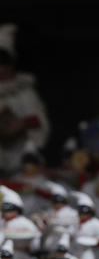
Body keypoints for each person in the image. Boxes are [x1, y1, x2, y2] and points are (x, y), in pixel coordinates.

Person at [0, 24, 49, 178]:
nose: (1, 68)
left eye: (4, 63)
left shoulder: (24, 90)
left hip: (23, 160)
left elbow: (39, 120)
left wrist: (20, 124)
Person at [0, 186, 40, 259]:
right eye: (4, 210)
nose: (6, 213)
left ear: (17, 210)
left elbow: (35, 241)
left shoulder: (25, 222)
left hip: (21, 254)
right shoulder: (1, 221)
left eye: (10, 210)